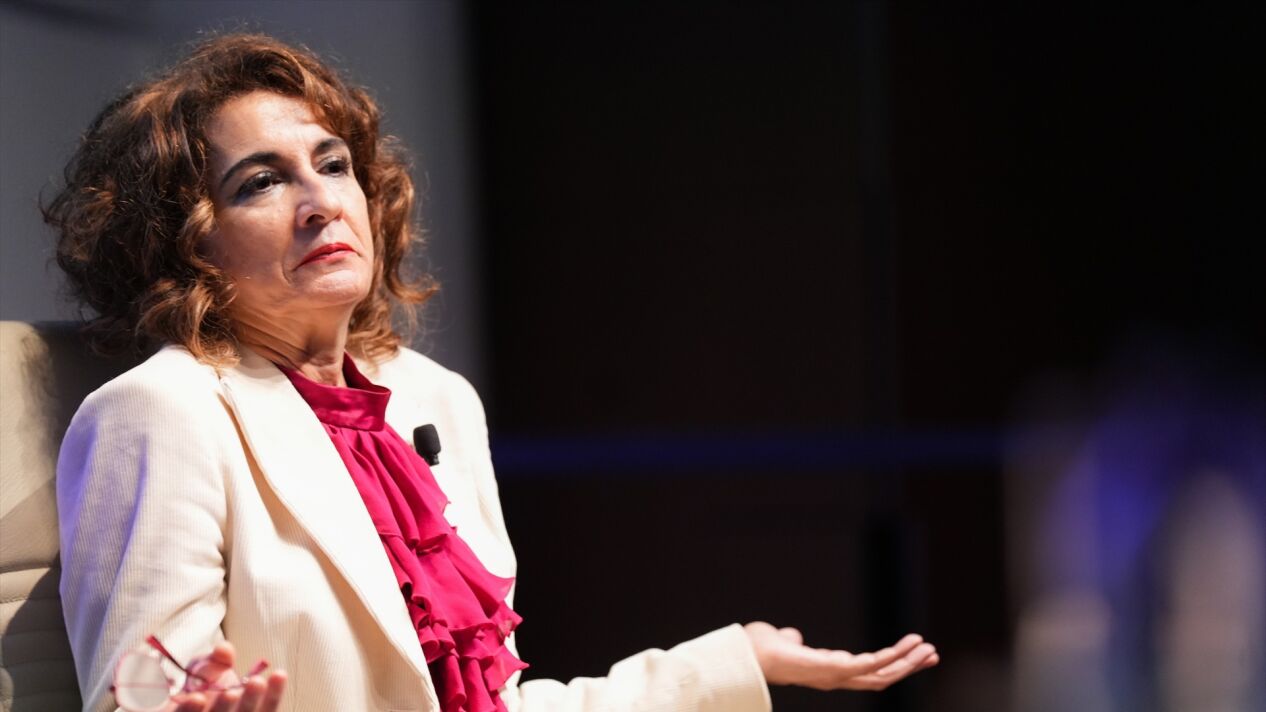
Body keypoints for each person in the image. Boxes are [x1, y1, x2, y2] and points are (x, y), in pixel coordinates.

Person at [45, 33, 938, 712]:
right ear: (187, 243)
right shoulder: (158, 413)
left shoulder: (433, 399)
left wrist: (732, 663)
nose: (320, 202)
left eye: (333, 164)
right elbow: (143, 693)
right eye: (260, 183)